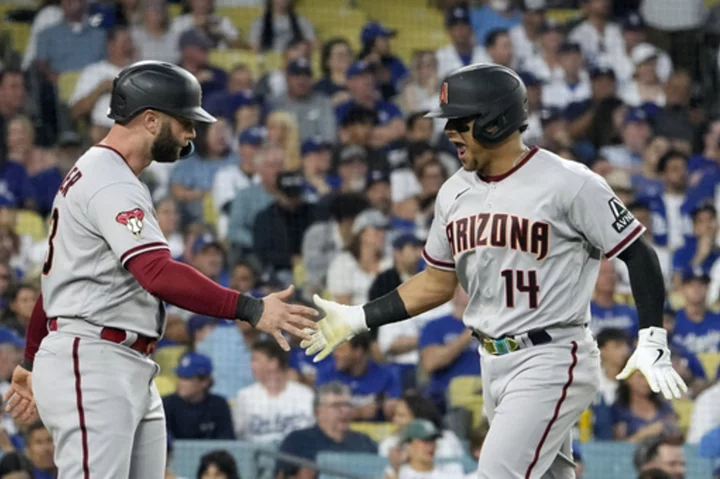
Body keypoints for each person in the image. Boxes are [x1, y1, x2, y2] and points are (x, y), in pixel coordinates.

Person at [301, 63, 687, 478]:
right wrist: (360, 316)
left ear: (494, 121)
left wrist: (651, 337)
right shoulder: (453, 192)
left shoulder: (569, 182)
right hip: (492, 360)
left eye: (459, 122)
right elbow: (435, 282)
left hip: (552, 355)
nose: (449, 133)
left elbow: (638, 254)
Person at [3, 61, 318, 479]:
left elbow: (53, 283)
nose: (191, 134)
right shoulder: (110, 180)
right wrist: (250, 308)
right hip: (95, 359)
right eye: (185, 122)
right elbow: (157, 272)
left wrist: (29, 360)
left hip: (121, 361)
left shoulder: (105, 174)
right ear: (150, 119)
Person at [274, 382, 377, 479]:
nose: (345, 411)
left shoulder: (365, 442)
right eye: (336, 406)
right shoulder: (297, 441)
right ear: (318, 412)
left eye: (347, 405)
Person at [233, 339, 314, 443]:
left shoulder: (305, 395)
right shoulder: (245, 396)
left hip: (298, 457)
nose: (251, 365)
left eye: (255, 360)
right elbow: (237, 436)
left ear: (273, 363)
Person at [419, 285, 480, 412]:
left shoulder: (494, 326)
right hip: (449, 397)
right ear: (454, 294)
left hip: (487, 390)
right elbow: (430, 363)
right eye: (466, 286)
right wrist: (468, 335)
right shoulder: (435, 326)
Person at [316, 333, 401, 422]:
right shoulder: (327, 375)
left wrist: (392, 410)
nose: (335, 354)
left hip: (377, 431)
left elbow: (397, 410)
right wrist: (358, 413)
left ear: (358, 351)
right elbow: (322, 413)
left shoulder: (387, 375)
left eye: (340, 350)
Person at [379, 392, 464, 469]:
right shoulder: (390, 443)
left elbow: (452, 470)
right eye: (395, 415)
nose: (395, 420)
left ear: (419, 418)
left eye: (401, 416)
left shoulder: (445, 439)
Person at [163, 352, 235, 440]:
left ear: (204, 382)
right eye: (180, 376)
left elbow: (226, 441)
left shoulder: (218, 405)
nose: (180, 383)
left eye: (187, 378)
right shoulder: (166, 404)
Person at [384, 419, 464, 479]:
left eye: (433, 440)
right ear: (408, 445)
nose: (431, 446)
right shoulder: (396, 473)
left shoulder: (449, 473)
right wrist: (396, 469)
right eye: (425, 441)